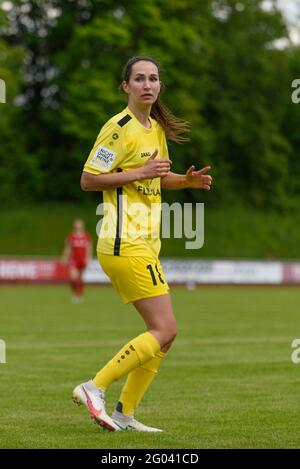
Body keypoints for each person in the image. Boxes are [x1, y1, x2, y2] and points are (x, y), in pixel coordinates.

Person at [72, 56, 212, 432]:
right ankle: (94, 387)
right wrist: (140, 172)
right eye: (139, 79)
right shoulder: (119, 128)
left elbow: (157, 177)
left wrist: (185, 182)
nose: (147, 84)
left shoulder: (155, 128)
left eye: (153, 78)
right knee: (164, 329)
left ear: (160, 86)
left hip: (145, 245)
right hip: (123, 242)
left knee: (165, 335)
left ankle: (125, 413)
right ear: (126, 87)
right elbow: (89, 179)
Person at [62, 219, 92, 303]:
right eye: (77, 225)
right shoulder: (71, 236)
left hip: (82, 260)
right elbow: (68, 248)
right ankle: (74, 295)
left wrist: (88, 258)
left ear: (82, 226)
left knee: (80, 278)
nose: (78, 226)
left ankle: (80, 295)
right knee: (73, 278)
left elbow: (89, 248)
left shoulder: (86, 236)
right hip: (74, 260)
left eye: (79, 225)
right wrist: (65, 257)